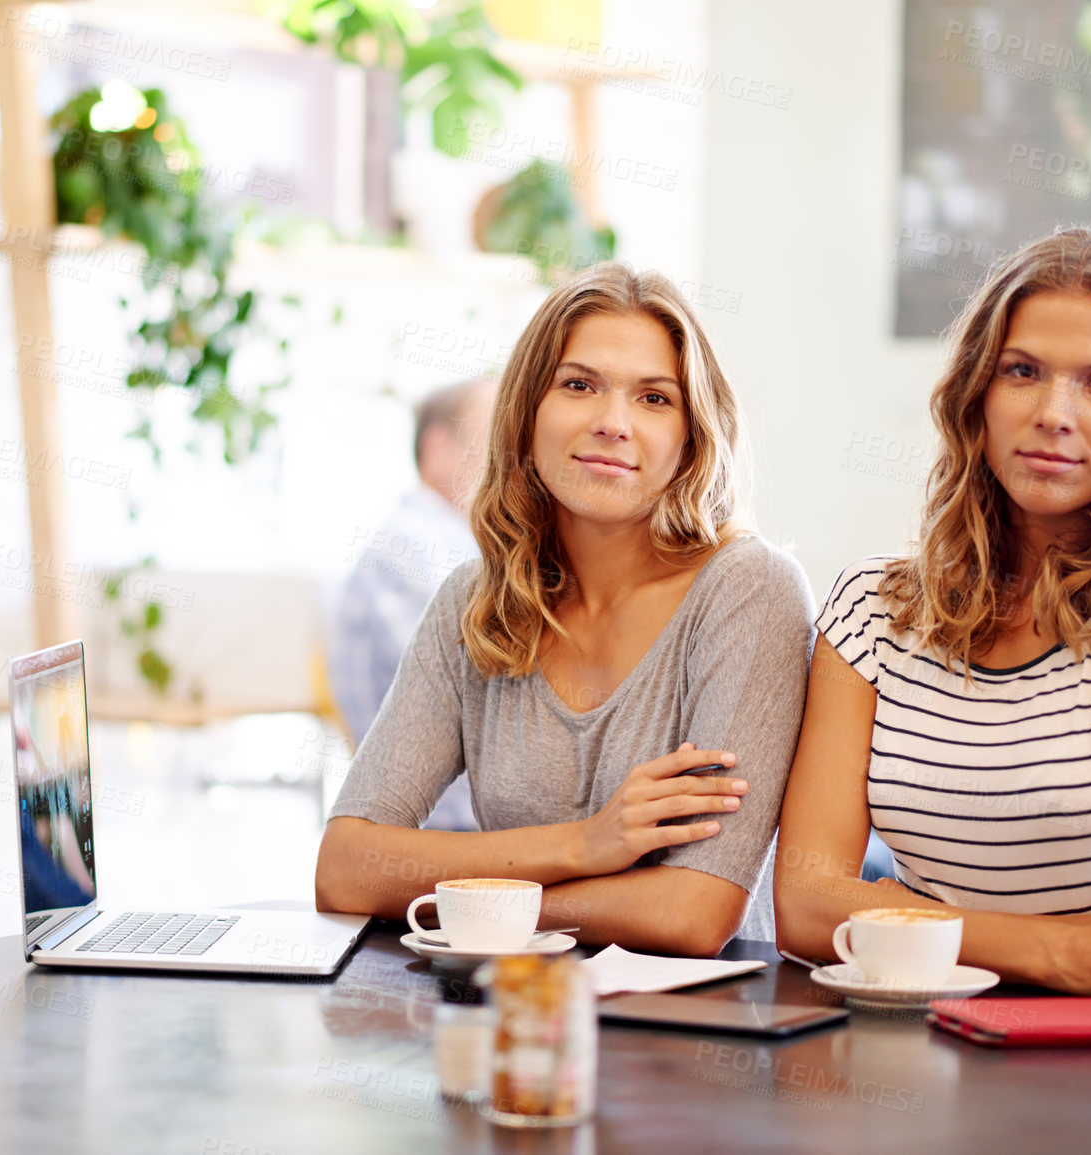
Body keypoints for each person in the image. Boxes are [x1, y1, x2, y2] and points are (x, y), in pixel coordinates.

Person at [776, 229, 1091, 997]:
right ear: (976, 396)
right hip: (918, 1047)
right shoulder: (869, 611)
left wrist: (911, 922)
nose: (1054, 412)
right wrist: (1061, 951)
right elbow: (807, 905)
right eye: (1022, 371)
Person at [314, 263, 814, 956]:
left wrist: (489, 903)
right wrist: (588, 843)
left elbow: (693, 911)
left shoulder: (748, 590)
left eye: (654, 398)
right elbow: (345, 867)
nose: (612, 423)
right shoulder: (475, 600)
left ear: (691, 436)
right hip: (511, 1018)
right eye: (578, 385)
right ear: (526, 413)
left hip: (692, 1044)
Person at [329, 378, 494, 831]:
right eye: (493, 435)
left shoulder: (448, 542)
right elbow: (477, 681)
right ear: (438, 448)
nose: (512, 454)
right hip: (446, 827)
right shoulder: (411, 548)